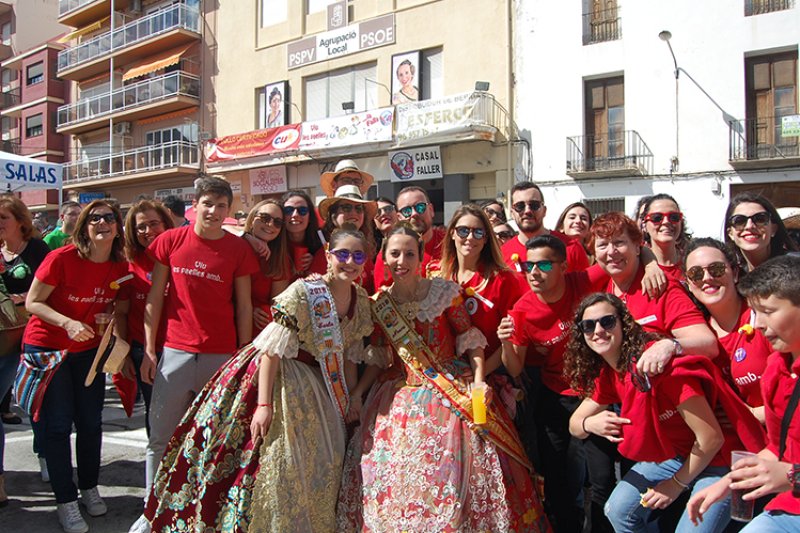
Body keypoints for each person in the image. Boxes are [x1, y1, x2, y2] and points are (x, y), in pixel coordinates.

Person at [143, 228, 377, 532]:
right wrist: (264, 404)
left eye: (357, 256)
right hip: (280, 377)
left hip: (321, 387)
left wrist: (351, 397)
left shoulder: (359, 299)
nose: (350, 261)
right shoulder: (304, 292)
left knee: (321, 462)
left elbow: (348, 357)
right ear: (329, 256)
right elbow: (272, 352)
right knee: (280, 460)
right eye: (343, 254)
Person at [337, 223, 550, 532]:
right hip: (397, 397)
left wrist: (478, 380)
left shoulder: (444, 293)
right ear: (384, 257)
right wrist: (358, 392)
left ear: (421, 256)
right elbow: (380, 359)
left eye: (410, 253)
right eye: (394, 254)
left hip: (452, 388)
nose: (402, 261)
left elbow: (470, 339)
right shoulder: (378, 305)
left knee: (457, 474)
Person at [565, 293, 765, 533]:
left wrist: (675, 485)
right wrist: (590, 424)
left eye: (607, 321)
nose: (597, 330)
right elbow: (574, 425)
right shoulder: (610, 374)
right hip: (678, 454)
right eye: (588, 326)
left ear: (623, 324)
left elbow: (711, 438)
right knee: (617, 510)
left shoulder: (659, 368)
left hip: (720, 459)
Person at [129, 177, 259, 533]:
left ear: (228, 210)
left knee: (215, 437)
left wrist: (244, 356)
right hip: (174, 352)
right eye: (208, 204)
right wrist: (150, 350)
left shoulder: (238, 250)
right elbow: (154, 298)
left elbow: (244, 306)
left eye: (221, 205)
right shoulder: (170, 241)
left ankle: (203, 506)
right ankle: (151, 508)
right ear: (195, 205)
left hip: (221, 356)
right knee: (161, 436)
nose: (214, 212)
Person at [23, 200, 129, 533]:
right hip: (49, 350)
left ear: (117, 227)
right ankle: (65, 501)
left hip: (88, 353)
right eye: (94, 218)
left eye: (109, 218)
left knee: (90, 424)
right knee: (56, 427)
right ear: (83, 226)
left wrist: (109, 315)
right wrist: (67, 323)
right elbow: (33, 302)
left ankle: (88, 487)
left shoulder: (117, 265)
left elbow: (120, 303)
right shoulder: (62, 258)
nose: (102, 223)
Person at [688, 255, 800, 532]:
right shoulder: (776, 369)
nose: (759, 324)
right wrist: (726, 484)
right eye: (754, 313)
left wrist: (791, 476)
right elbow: (777, 449)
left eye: (768, 311)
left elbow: (785, 469)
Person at [683, 238, 772, 421]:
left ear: (735, 273)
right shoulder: (698, 335)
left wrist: (755, 415)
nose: (707, 278)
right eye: (696, 273)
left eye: (716, 268)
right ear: (690, 285)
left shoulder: (764, 316)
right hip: (731, 447)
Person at [0, 195, 50, 504]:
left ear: (20, 220)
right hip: (2, 338)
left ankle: (45, 452)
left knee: (36, 404)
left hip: (29, 338)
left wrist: (23, 298)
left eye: (3, 217)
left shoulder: (37, 250)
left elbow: (51, 286)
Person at [437, 204, 523, 375]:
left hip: (492, 373)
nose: (470, 237)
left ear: (486, 239)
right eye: (463, 231)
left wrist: (479, 376)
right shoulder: (438, 277)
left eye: (478, 232)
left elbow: (510, 339)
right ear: (452, 233)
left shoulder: (503, 280)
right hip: (448, 375)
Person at [118, 200, 175, 436]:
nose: (148, 231)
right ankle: (159, 469)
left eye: (154, 224)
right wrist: (124, 355)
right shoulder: (127, 264)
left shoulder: (180, 255)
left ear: (166, 224)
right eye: (141, 227)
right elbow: (120, 312)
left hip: (179, 349)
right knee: (156, 415)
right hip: (144, 351)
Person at [502, 182, 589, 292]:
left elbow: (586, 293)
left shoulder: (571, 248)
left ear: (544, 211)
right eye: (520, 206)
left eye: (534, 205)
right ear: (512, 213)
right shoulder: (501, 255)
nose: (527, 210)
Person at [373, 186, 445, 289]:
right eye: (406, 211)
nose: (414, 214)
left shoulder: (451, 242)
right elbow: (382, 298)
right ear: (399, 218)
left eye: (420, 207)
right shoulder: (388, 254)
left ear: (431, 210)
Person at [313, 185, 377, 292]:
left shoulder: (367, 249)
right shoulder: (323, 255)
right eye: (346, 208)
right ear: (333, 216)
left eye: (358, 208)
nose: (353, 213)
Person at [241, 199, 291, 330]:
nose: (270, 224)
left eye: (278, 222)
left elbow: (277, 305)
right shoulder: (236, 245)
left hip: (259, 330)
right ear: (252, 218)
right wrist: (246, 236)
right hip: (227, 322)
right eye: (265, 218)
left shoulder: (279, 258)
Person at [723, 192, 797, 273]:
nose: (749, 226)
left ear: (773, 229)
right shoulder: (731, 276)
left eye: (760, 219)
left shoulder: (796, 267)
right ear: (730, 233)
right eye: (739, 220)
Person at [641, 194, 692, 280]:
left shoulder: (691, 263)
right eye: (657, 217)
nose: (666, 222)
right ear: (644, 225)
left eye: (674, 217)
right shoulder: (634, 265)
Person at [281, 190, 325, 280]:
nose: (295, 215)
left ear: (310, 217)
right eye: (288, 210)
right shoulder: (273, 242)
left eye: (302, 210)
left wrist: (316, 261)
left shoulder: (321, 240)